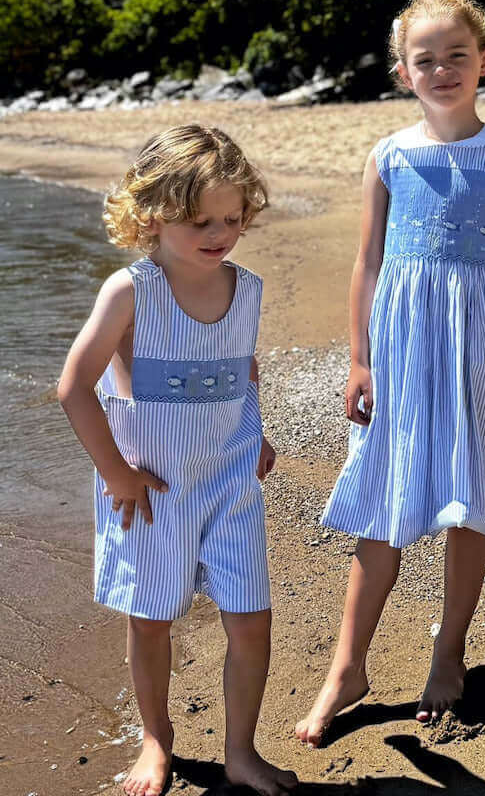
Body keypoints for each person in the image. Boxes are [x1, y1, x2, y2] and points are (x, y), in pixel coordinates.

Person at [295, 0, 485, 748]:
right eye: (425, 59)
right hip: (401, 344)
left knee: (468, 498)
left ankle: (449, 650)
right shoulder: (389, 155)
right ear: (403, 73)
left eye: (456, 55)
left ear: (484, 61)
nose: (442, 69)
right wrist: (360, 359)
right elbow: (366, 263)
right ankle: (347, 667)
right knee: (385, 497)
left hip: (478, 339)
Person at [58, 124, 298, 796]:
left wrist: (259, 434)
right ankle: (156, 739)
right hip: (152, 486)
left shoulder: (245, 288)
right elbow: (74, 385)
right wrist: (115, 472)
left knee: (251, 617)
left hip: (228, 480)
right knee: (153, 618)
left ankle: (241, 752)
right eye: (201, 221)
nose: (220, 233)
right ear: (152, 215)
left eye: (233, 218)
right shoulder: (132, 291)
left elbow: (239, 368)